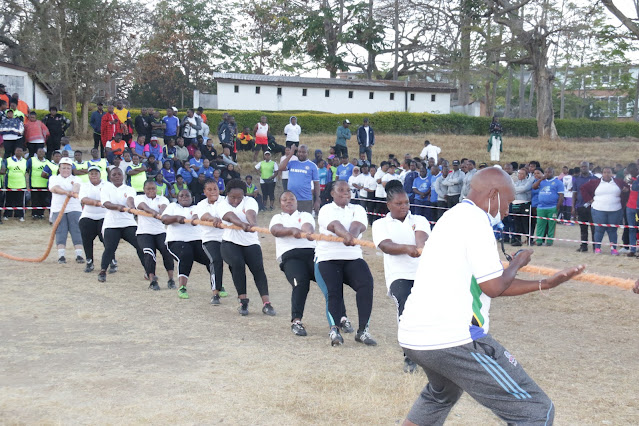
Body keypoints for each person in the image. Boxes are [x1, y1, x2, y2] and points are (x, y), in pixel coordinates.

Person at [398, 167, 584, 426]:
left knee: (439, 397)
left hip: (414, 335)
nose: (508, 210)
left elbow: (488, 281)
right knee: (535, 411)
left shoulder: (452, 216)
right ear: (493, 195)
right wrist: (518, 264)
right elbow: (494, 287)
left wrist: (544, 284)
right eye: (508, 202)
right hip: (453, 339)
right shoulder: (475, 221)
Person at [372, 180, 430, 372]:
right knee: (405, 309)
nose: (404, 206)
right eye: (399, 203)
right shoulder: (380, 224)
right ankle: (409, 355)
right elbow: (385, 246)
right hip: (399, 276)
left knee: (427, 312)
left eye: (406, 202)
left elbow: (422, 238)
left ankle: (429, 351)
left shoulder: (419, 220)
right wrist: (407, 248)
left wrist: (419, 247)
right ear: (388, 205)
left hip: (423, 274)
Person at [315, 180, 376, 346]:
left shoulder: (358, 209)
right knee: (333, 292)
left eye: (348, 190)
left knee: (366, 284)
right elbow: (335, 225)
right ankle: (334, 330)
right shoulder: (326, 209)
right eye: (341, 190)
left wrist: (351, 236)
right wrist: (347, 236)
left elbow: (358, 225)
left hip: (353, 257)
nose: (346, 193)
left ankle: (363, 330)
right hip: (328, 257)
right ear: (332, 193)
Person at [217, 179, 276, 316]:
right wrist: (242, 225)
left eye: (239, 197)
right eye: (233, 197)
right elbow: (230, 216)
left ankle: (266, 303)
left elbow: (251, 213)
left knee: (258, 269)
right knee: (237, 265)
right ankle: (243, 302)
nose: (236, 201)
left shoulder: (250, 201)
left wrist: (252, 224)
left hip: (250, 242)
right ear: (227, 195)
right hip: (230, 242)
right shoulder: (222, 204)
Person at [269, 191, 317, 336]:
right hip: (290, 256)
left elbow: (308, 227)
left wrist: (306, 232)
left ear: (297, 202)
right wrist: (291, 230)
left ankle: (341, 317)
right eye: (285, 199)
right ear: (280, 203)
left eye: (292, 199)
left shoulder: (305, 215)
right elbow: (275, 230)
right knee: (300, 282)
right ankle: (296, 321)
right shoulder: (277, 217)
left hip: (312, 253)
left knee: (331, 281)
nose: (288, 201)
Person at [98, 167, 146, 282]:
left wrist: (131, 207)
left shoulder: (129, 189)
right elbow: (107, 204)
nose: (117, 176)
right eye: (114, 175)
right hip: (112, 223)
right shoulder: (105, 189)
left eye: (119, 174)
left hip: (128, 222)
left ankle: (148, 271)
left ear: (123, 176)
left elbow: (130, 200)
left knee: (140, 246)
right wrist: (118, 207)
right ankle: (103, 271)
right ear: (110, 177)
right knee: (110, 248)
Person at [159, 189, 208, 299]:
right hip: (176, 240)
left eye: (187, 195)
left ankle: (217, 285)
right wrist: (176, 218)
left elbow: (197, 215)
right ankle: (182, 287)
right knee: (186, 255)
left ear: (192, 198)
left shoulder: (196, 208)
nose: (184, 197)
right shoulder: (172, 207)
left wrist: (195, 219)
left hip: (196, 240)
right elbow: (164, 219)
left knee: (211, 258)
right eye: (181, 196)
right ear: (177, 198)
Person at [131, 179, 175, 290]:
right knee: (149, 253)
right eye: (148, 188)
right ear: (144, 189)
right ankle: (152, 280)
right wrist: (153, 212)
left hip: (160, 231)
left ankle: (171, 279)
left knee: (167, 252)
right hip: (144, 232)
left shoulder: (163, 198)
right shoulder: (139, 198)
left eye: (153, 188)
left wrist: (160, 213)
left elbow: (163, 207)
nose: (151, 190)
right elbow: (142, 206)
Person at [580, 166, 629, 255]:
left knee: (613, 230)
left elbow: (628, 190)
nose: (607, 174)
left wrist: (625, 191)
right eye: (605, 172)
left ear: (612, 173)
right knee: (599, 229)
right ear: (602, 173)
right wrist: (590, 200)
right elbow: (583, 188)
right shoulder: (594, 182)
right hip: (598, 210)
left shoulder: (619, 182)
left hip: (615, 210)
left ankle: (613, 249)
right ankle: (597, 248)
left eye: (609, 172)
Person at [197, 179, 230, 305]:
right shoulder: (201, 204)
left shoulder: (225, 201)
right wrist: (214, 219)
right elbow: (204, 216)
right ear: (204, 191)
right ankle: (215, 293)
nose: (213, 192)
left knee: (235, 263)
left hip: (227, 237)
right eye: (209, 190)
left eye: (215, 189)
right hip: (210, 238)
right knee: (216, 260)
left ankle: (241, 295)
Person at [47, 157, 84, 264]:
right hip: (58, 209)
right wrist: (66, 193)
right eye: (64, 168)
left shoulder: (76, 179)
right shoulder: (54, 178)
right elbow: (54, 188)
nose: (66, 170)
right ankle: (61, 256)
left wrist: (73, 191)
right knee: (60, 231)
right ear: (59, 168)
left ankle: (79, 255)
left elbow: (77, 187)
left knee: (76, 231)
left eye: (68, 168)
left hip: (74, 208)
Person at [78, 165, 108, 273]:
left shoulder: (107, 185)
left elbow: (108, 198)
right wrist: (98, 203)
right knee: (86, 239)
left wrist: (97, 202)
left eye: (96, 173)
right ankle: (89, 261)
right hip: (88, 215)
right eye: (91, 173)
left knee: (106, 239)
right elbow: (83, 199)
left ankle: (111, 260)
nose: (93, 175)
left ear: (100, 174)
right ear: (88, 175)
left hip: (104, 216)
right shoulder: (84, 185)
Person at [532, 167, 564, 246]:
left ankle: (550, 241)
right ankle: (539, 240)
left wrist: (557, 207)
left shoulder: (558, 182)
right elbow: (534, 187)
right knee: (540, 224)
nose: (547, 173)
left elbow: (561, 195)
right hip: (541, 207)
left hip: (552, 207)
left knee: (551, 224)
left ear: (553, 173)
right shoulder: (542, 182)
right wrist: (540, 179)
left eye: (549, 172)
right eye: (546, 172)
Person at [572, 161, 598, 252]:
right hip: (580, 206)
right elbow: (574, 193)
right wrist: (573, 207)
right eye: (582, 166)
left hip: (593, 207)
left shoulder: (594, 179)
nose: (583, 168)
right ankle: (584, 246)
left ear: (588, 167)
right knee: (583, 228)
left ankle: (596, 247)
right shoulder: (576, 179)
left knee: (594, 228)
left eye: (585, 166)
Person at [0, 146, 28, 221]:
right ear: (14, 152)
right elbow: (3, 170)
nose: (19, 152)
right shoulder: (8, 160)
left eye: (20, 151)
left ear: (22, 152)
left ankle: (20, 216)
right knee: (8, 200)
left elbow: (27, 171)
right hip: (10, 184)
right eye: (17, 151)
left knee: (20, 201)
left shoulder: (25, 161)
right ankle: (7, 215)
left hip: (21, 184)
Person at [511, 167, 534, 246]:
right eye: (519, 173)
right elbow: (511, 189)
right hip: (516, 204)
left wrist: (516, 190)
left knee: (526, 223)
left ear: (526, 175)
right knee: (517, 223)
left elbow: (524, 189)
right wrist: (517, 190)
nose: (520, 175)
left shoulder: (528, 182)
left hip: (525, 204)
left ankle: (529, 239)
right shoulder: (516, 182)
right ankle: (518, 240)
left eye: (522, 174)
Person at [26, 147, 49, 219]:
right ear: (36, 153)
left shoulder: (47, 162)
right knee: (35, 200)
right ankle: (34, 214)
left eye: (42, 152)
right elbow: (26, 169)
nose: (41, 153)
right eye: (39, 152)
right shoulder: (32, 160)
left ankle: (41, 214)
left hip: (44, 184)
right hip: (34, 184)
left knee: (43, 200)